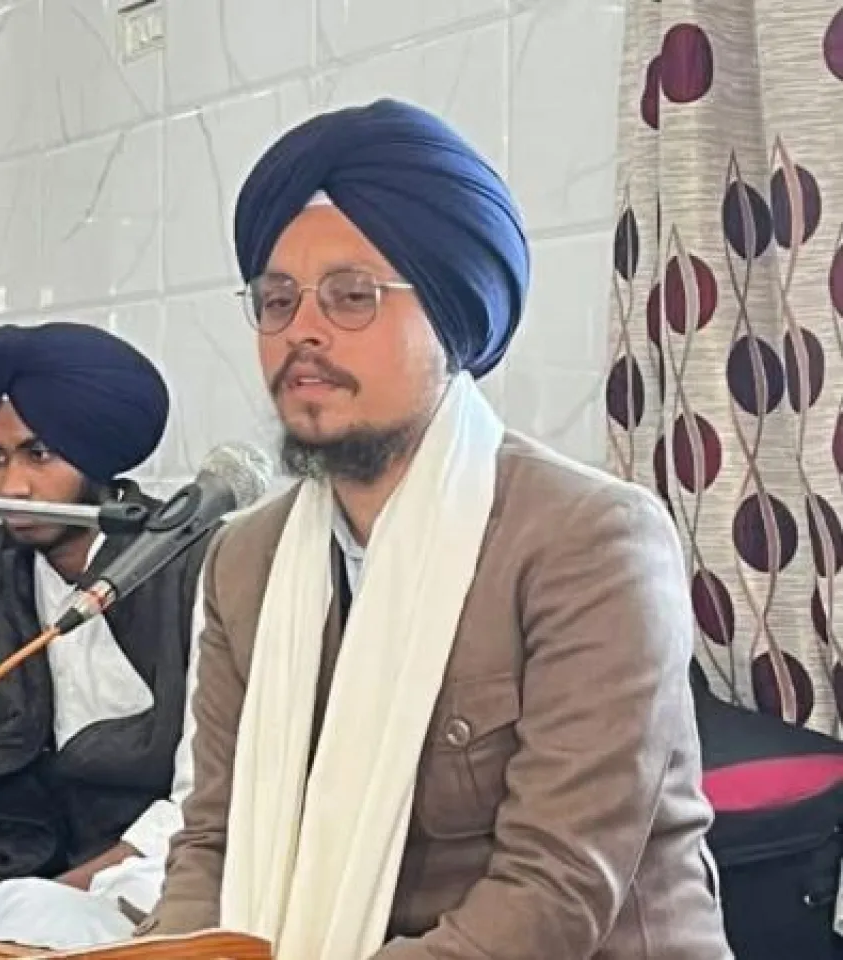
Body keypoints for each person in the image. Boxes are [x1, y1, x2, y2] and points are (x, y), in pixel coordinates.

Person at [145, 99, 734, 959]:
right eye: (276, 299)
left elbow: (552, 893)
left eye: (351, 296)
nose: (300, 330)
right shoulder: (245, 560)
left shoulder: (591, 542)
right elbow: (212, 839)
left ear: (451, 319)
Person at [0, 322, 208, 949]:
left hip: (148, 893)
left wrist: (34, 902)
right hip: (5, 895)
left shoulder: (195, 572)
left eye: (39, 456)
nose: (12, 487)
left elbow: (203, 806)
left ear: (97, 455)